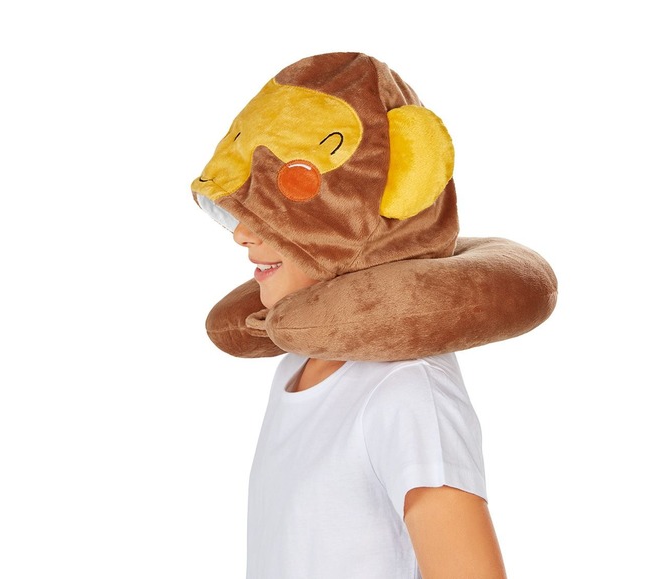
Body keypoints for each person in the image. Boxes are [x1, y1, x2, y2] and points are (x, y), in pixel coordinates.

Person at [192, 52, 556, 578]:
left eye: (275, 212)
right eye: (242, 212)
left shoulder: (407, 390)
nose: (242, 235)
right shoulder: (297, 364)